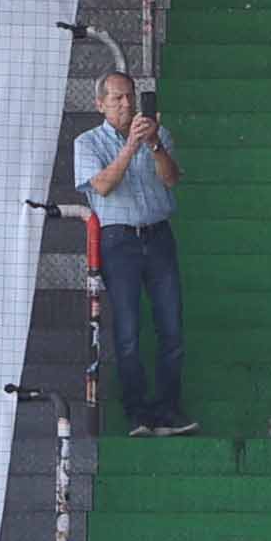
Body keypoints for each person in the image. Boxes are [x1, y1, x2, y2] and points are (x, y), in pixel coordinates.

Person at [70, 73, 191, 436]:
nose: (126, 105)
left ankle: (169, 408)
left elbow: (171, 179)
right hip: (118, 239)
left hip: (158, 235)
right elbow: (103, 186)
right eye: (118, 98)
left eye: (130, 98)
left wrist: (153, 145)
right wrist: (130, 147)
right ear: (101, 104)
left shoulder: (158, 134)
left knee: (171, 325)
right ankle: (136, 411)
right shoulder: (87, 142)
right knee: (127, 329)